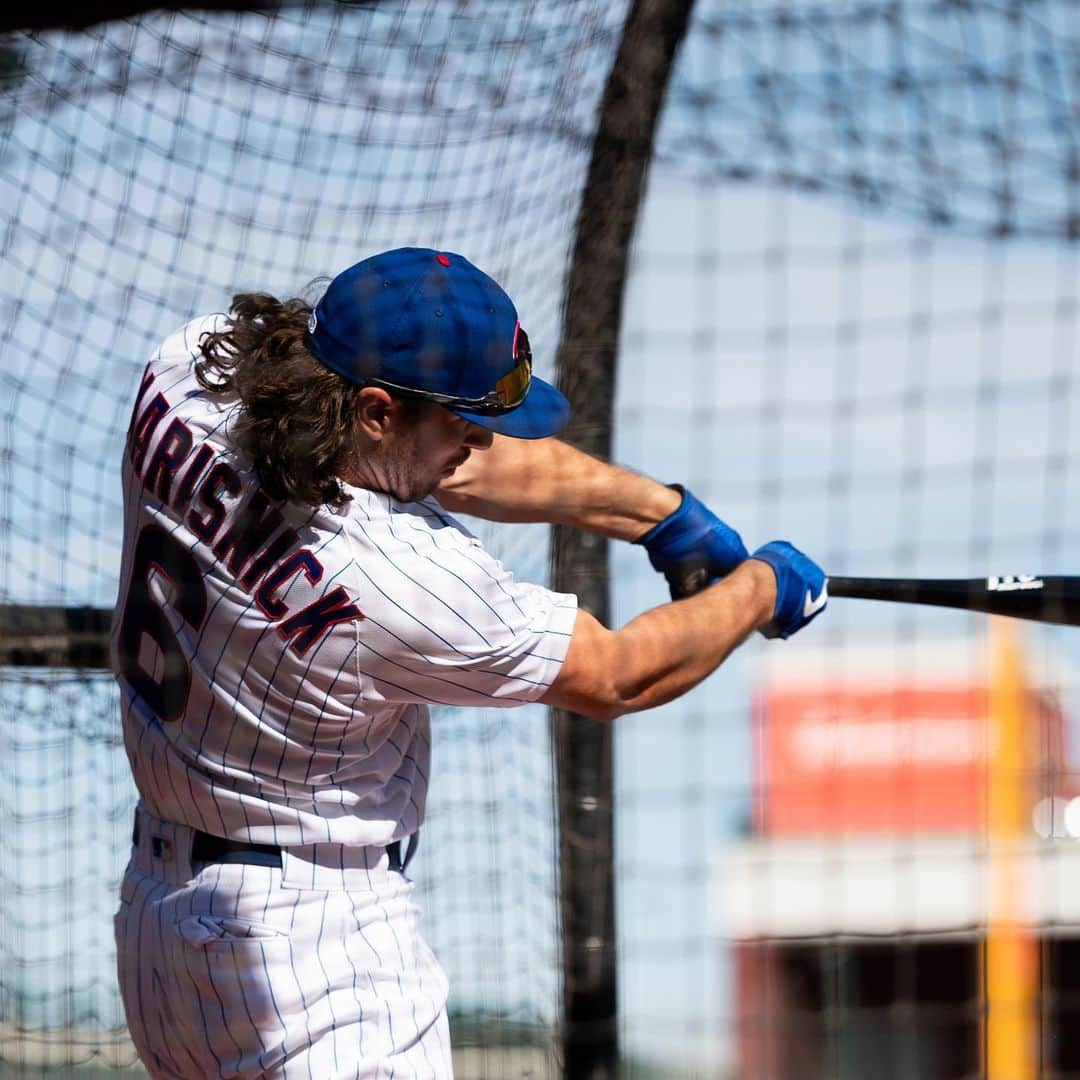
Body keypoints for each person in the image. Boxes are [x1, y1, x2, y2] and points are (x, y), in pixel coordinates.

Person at [110, 246, 826, 1079]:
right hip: (315, 962)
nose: (479, 441)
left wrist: (659, 514)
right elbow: (619, 672)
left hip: (165, 934)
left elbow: (457, 465)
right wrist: (759, 590)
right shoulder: (408, 584)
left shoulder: (192, 370)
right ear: (374, 413)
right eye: (463, 419)